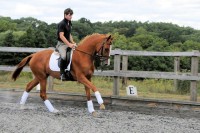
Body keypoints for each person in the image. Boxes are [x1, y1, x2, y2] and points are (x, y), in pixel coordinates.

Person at [56, 8, 77, 81]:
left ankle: (70, 71)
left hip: (68, 43)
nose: (71, 16)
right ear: (65, 15)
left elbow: (69, 34)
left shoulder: (69, 22)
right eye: (69, 15)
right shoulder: (62, 24)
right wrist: (69, 44)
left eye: (71, 15)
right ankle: (62, 73)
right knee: (64, 56)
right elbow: (61, 36)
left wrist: (73, 42)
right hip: (61, 44)